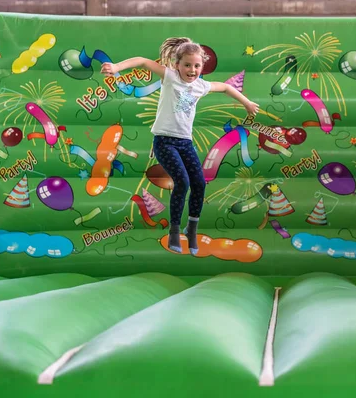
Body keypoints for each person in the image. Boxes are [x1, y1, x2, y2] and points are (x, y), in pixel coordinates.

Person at [101, 37, 259, 255]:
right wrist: (116, 67)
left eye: (196, 66)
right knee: (182, 182)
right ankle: (174, 230)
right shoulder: (170, 77)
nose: (192, 70)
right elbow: (143, 61)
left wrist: (247, 103)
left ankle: (191, 228)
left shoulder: (201, 86)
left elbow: (224, 87)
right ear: (177, 64)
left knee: (199, 184)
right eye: (187, 65)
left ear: (202, 67)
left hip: (185, 142)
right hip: (164, 141)